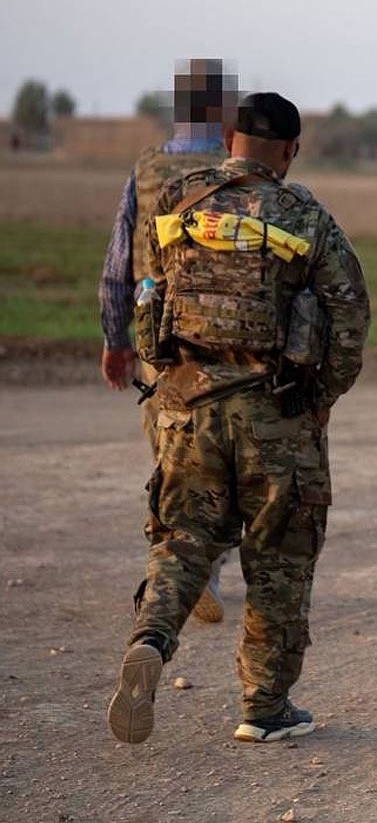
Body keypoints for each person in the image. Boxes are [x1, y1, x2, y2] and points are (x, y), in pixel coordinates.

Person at [106, 92, 370, 745]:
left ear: (229, 139)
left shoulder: (178, 202)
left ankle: (150, 637)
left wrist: (167, 373)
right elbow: (349, 318)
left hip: (187, 403)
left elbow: (146, 296)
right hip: (275, 409)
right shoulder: (305, 216)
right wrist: (318, 399)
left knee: (183, 538)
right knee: (279, 556)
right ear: (291, 150)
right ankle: (265, 703)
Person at [98, 58, 235, 624]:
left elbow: (116, 262)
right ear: (222, 107)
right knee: (224, 459)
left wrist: (115, 338)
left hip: (159, 340)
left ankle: (168, 563)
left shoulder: (147, 167)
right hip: (228, 341)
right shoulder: (237, 169)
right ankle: (205, 566)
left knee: (168, 452)